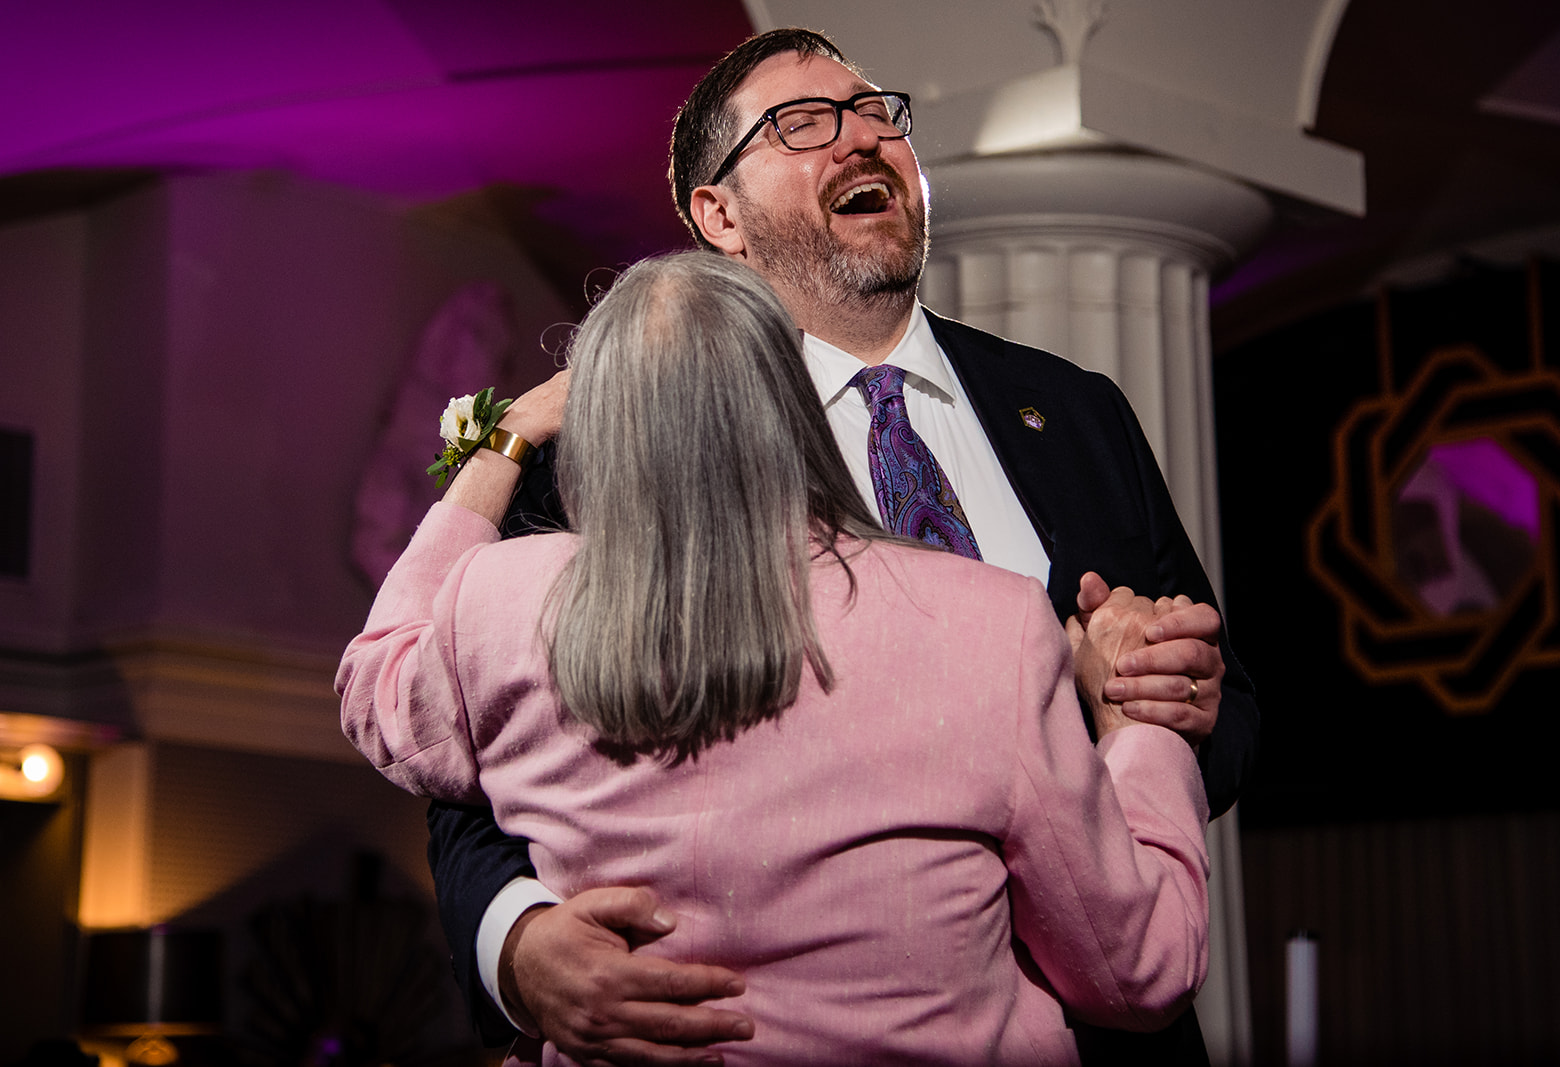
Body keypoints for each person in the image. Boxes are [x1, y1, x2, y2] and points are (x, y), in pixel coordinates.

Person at [428, 27, 1260, 1066]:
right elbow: (471, 773)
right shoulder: (613, 451)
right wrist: (518, 941)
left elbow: (1228, 716)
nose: (861, 141)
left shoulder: (1078, 411)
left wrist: (1163, 704)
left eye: (878, 116)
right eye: (801, 125)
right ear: (716, 213)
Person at [340, 252, 1211, 1066]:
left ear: (597, 430)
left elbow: (377, 682)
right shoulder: (994, 621)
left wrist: (511, 436)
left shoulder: (495, 599)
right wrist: (1139, 726)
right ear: (793, 409)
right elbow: (1138, 971)